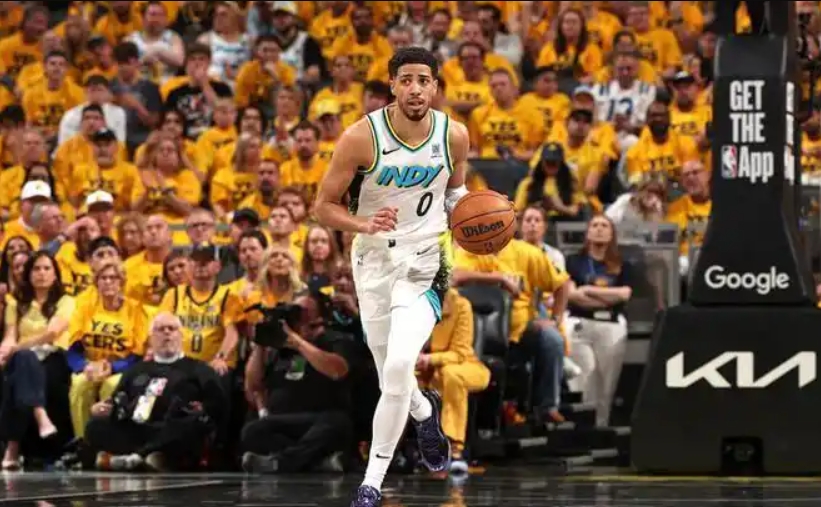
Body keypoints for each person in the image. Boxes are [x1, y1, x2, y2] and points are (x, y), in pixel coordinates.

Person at [314, 47, 470, 507]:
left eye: (424, 80)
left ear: (435, 86)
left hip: (427, 259)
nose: (415, 89)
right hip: (374, 261)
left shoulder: (454, 135)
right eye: (406, 80)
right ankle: (424, 411)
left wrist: (478, 216)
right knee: (389, 376)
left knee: (401, 365)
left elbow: (455, 194)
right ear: (392, 85)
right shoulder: (360, 137)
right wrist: (364, 224)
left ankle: (371, 482)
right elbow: (322, 207)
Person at [84, 312, 226, 471]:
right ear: (151, 339)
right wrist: (100, 409)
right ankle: (150, 458)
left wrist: (202, 408)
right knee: (95, 425)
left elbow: (218, 406)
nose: (167, 333)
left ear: (181, 336)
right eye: (160, 329)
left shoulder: (200, 370)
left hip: (173, 429)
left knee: (193, 423)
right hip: (137, 429)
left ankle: (133, 458)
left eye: (172, 329)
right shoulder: (135, 370)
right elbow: (116, 401)